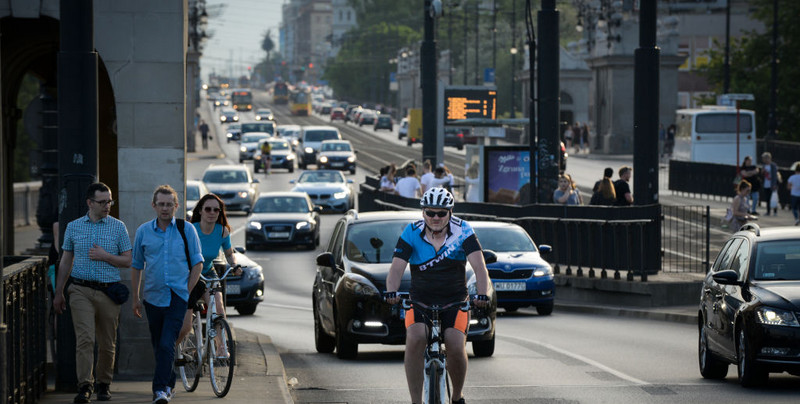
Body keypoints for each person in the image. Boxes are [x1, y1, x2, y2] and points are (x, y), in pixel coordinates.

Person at [384, 188, 490, 404]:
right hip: (420, 301)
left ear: (450, 212)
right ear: (423, 212)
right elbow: (396, 269)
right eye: (430, 213)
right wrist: (391, 292)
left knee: (454, 343)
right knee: (415, 340)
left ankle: (457, 395)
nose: (435, 218)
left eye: (441, 213)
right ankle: (416, 401)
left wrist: (481, 294)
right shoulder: (411, 232)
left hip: (455, 300)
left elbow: (480, 267)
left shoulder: (463, 230)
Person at [52, 182, 132, 403]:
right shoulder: (74, 227)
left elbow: (128, 260)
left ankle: (103, 384)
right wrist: (59, 292)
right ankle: (85, 385)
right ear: (90, 203)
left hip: (109, 291)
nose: (107, 205)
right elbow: (66, 259)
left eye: (110, 201)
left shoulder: (118, 227)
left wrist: (106, 256)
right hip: (80, 290)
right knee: (85, 339)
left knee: (107, 342)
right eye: (102, 202)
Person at [131, 185, 204, 404]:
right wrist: (135, 297)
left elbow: (198, 263)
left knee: (166, 343)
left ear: (176, 206)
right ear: (154, 206)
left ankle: (160, 390)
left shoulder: (186, 229)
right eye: (161, 204)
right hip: (152, 297)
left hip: (177, 296)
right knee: (160, 345)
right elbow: (136, 265)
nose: (165, 208)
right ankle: (169, 381)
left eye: (169, 204)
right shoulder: (143, 231)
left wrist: (186, 291)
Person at [177, 194, 242, 352]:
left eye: (216, 210)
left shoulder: (222, 231)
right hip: (189, 272)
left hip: (208, 271)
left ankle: (221, 347)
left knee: (219, 308)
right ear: (200, 211)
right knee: (187, 315)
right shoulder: (191, 229)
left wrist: (234, 265)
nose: (212, 212)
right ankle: (183, 339)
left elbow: (229, 253)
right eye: (208, 209)